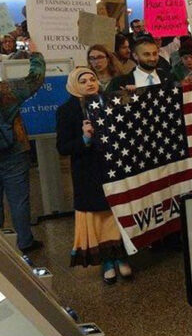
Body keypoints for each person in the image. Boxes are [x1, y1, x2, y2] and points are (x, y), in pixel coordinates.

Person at [56, 67, 131, 284]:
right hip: (87, 173)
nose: (90, 83)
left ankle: (121, 256)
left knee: (115, 214)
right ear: (73, 85)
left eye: (93, 79)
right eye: (84, 80)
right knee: (98, 217)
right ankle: (107, 260)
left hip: (112, 168)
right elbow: (63, 147)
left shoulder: (109, 102)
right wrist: (84, 139)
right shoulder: (67, 111)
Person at [0, 39, 44, 254]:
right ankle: (25, 241)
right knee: (19, 199)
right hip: (14, 150)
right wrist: (35, 55)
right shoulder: (7, 90)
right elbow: (35, 79)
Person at [107, 36, 174, 91]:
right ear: (135, 56)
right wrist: (124, 96)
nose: (152, 58)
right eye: (146, 54)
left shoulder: (168, 77)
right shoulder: (119, 83)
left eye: (155, 54)